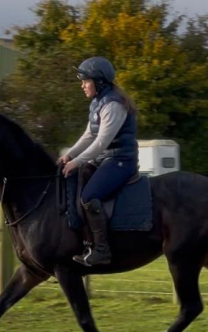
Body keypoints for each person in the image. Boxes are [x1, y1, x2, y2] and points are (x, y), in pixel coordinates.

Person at [58, 56, 139, 267]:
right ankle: (85, 242)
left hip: (120, 160)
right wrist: (69, 154)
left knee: (89, 195)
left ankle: (102, 250)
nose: (82, 85)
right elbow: (88, 135)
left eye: (86, 80)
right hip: (105, 159)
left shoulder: (113, 104)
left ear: (99, 82)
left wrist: (77, 161)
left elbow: (102, 141)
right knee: (77, 183)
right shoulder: (97, 103)